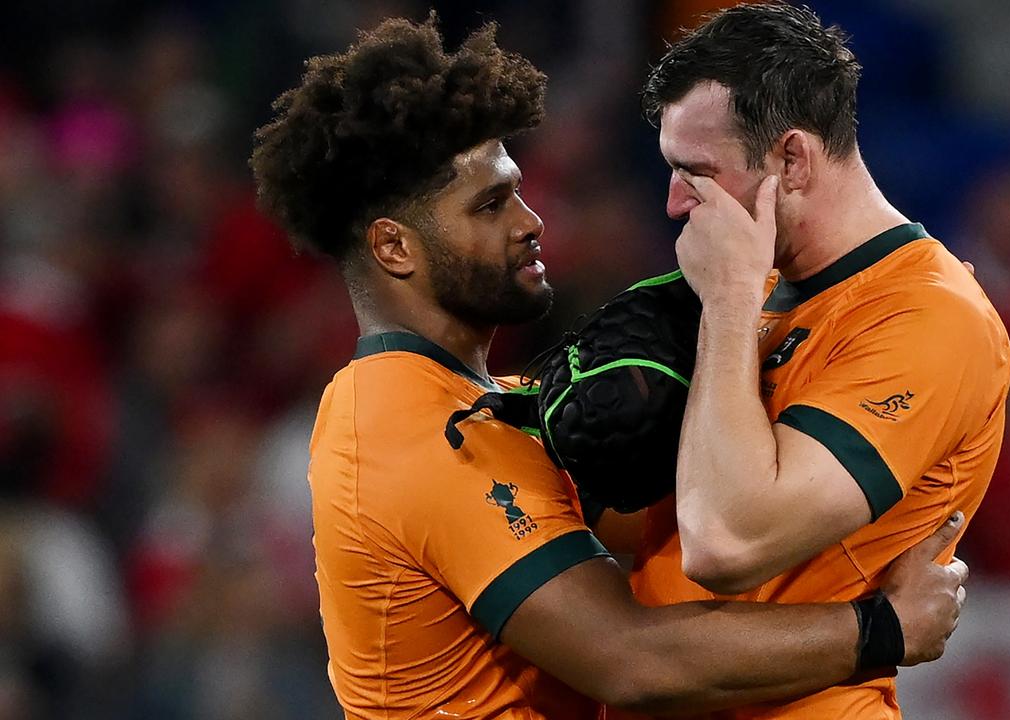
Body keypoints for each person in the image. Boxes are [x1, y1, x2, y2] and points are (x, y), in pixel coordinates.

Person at [249, 16, 969, 720]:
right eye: (491, 204)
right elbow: (630, 661)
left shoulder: (488, 405)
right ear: (395, 248)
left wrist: (890, 332)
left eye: (519, 190)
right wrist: (882, 631)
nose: (531, 220)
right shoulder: (409, 430)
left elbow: (689, 520)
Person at [624, 5, 1010, 718]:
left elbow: (726, 544)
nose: (676, 203)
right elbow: (663, 527)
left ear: (793, 159)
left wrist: (730, 302)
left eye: (697, 173)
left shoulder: (930, 316)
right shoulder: (754, 289)